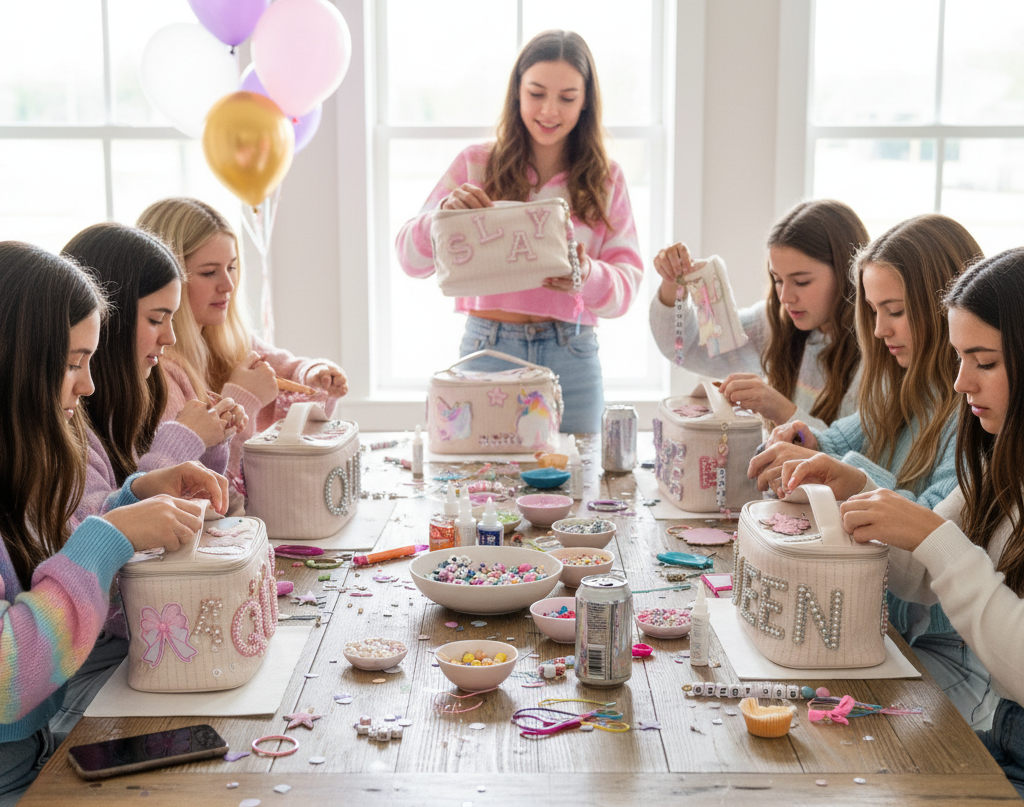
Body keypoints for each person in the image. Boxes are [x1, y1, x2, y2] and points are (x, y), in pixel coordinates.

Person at [783, 247, 1024, 797]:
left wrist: (940, 543)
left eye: (983, 362)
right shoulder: (1002, 458)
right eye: (961, 358)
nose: (962, 383)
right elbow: (919, 575)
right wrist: (860, 493)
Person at [0, 242, 227, 805]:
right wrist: (113, 536)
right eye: (73, 363)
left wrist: (133, 498)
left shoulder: (24, 457)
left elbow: (52, 559)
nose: (88, 385)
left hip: (32, 743)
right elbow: (5, 676)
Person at [750, 213, 996, 728]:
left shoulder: (973, 411)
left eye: (895, 311)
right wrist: (803, 439)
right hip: (882, 630)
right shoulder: (902, 383)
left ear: (944, 310)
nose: (880, 329)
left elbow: (927, 537)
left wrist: (849, 477)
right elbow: (842, 438)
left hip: (943, 653)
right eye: (873, 311)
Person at [395, 29, 643, 434]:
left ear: (585, 103)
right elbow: (409, 259)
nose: (549, 110)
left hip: (572, 354)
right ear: (517, 93)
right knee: (480, 486)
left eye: (567, 97)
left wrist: (586, 273)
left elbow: (626, 289)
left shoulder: (606, 179)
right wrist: (441, 218)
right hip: (487, 349)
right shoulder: (475, 164)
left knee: (576, 486)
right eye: (536, 93)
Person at [136, 198, 348, 483]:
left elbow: (287, 370)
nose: (228, 285)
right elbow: (201, 488)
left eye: (232, 268)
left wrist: (313, 374)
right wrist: (243, 399)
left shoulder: (225, 338)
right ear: (168, 280)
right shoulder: (158, 371)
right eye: (209, 272)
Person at [649, 199, 868, 429]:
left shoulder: (878, 352)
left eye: (801, 282)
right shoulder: (775, 322)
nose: (785, 297)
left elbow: (852, 457)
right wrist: (673, 283)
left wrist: (780, 409)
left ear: (848, 273)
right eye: (778, 279)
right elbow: (685, 347)